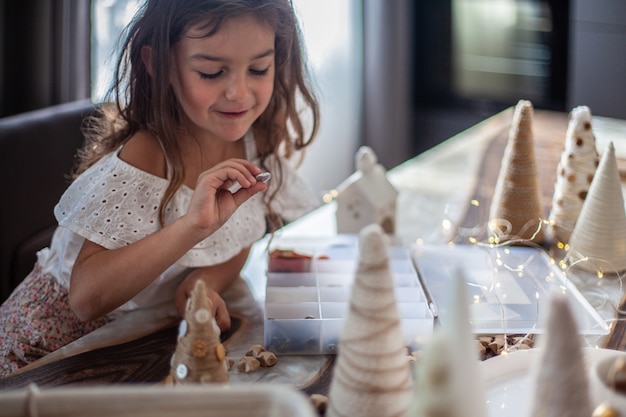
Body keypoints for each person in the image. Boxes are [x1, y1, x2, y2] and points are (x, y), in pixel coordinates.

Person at [0, 0, 320, 377]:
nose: (239, 92)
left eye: (258, 68)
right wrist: (190, 227)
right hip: (51, 348)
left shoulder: (255, 141)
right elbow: (86, 299)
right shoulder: (148, 154)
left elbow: (240, 232)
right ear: (159, 65)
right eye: (212, 72)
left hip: (141, 342)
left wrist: (203, 281)